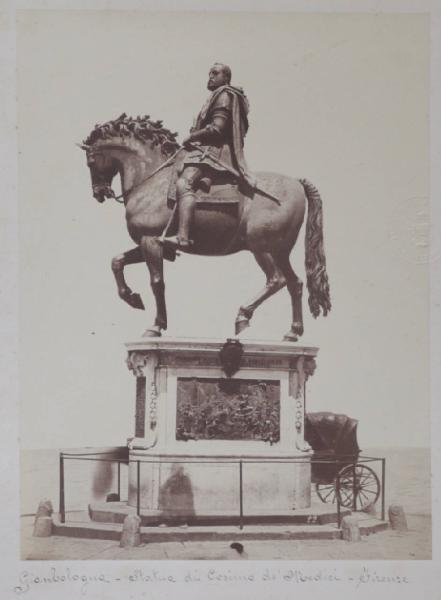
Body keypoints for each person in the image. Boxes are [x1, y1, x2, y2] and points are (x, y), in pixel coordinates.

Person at [163, 63, 253, 250]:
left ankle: (183, 237)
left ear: (226, 78)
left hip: (215, 152)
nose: (210, 76)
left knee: (184, 183)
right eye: (209, 73)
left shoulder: (224, 95)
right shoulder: (216, 96)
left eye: (215, 73)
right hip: (207, 149)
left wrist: (193, 136)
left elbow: (217, 128)